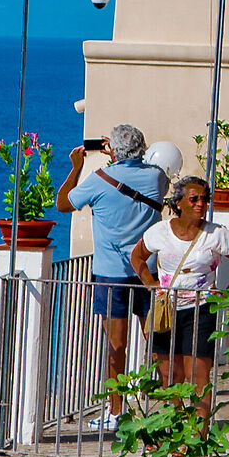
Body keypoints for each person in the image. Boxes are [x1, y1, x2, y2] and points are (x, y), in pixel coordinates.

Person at [58, 125, 170, 430]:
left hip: (111, 275)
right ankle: (175, 407)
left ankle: (116, 412)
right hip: (148, 272)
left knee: (116, 347)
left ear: (114, 151)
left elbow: (63, 203)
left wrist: (76, 168)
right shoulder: (157, 177)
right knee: (159, 341)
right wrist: (118, 156)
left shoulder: (98, 181)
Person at [132, 175, 229, 420]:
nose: (201, 204)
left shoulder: (217, 234)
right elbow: (137, 257)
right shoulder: (160, 232)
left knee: (197, 377)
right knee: (169, 376)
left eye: (204, 199)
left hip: (201, 310)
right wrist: (151, 285)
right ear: (178, 203)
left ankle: (198, 437)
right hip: (165, 310)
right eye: (194, 199)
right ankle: (176, 432)